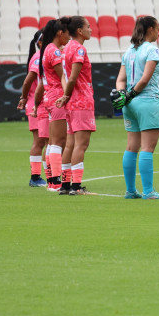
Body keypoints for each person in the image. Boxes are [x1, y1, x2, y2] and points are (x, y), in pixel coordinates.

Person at [115, 15, 159, 200]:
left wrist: (123, 95)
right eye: (157, 28)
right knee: (147, 147)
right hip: (146, 101)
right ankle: (148, 191)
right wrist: (131, 94)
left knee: (131, 146)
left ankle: (131, 191)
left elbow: (120, 80)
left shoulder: (129, 50)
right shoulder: (151, 50)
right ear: (150, 29)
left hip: (129, 104)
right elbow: (145, 79)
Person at [56, 16, 96, 195]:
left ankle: (65, 185)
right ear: (79, 30)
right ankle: (76, 186)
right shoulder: (79, 49)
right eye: (88, 27)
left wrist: (66, 96)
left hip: (72, 103)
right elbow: (73, 77)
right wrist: (66, 94)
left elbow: (65, 76)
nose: (91, 29)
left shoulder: (65, 49)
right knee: (81, 145)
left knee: (70, 144)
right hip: (81, 101)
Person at [31, 17, 71, 194]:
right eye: (67, 33)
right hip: (57, 98)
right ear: (60, 33)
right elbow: (62, 77)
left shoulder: (47, 49)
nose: (68, 37)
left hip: (48, 97)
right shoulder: (53, 51)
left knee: (53, 142)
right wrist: (66, 95)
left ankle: (51, 180)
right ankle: (55, 182)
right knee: (59, 141)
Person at [17, 30, 48, 187]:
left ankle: (47, 176)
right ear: (40, 42)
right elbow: (28, 81)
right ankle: (36, 177)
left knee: (46, 141)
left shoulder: (43, 56)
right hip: (36, 104)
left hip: (40, 103)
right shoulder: (38, 58)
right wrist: (23, 97)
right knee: (41, 142)